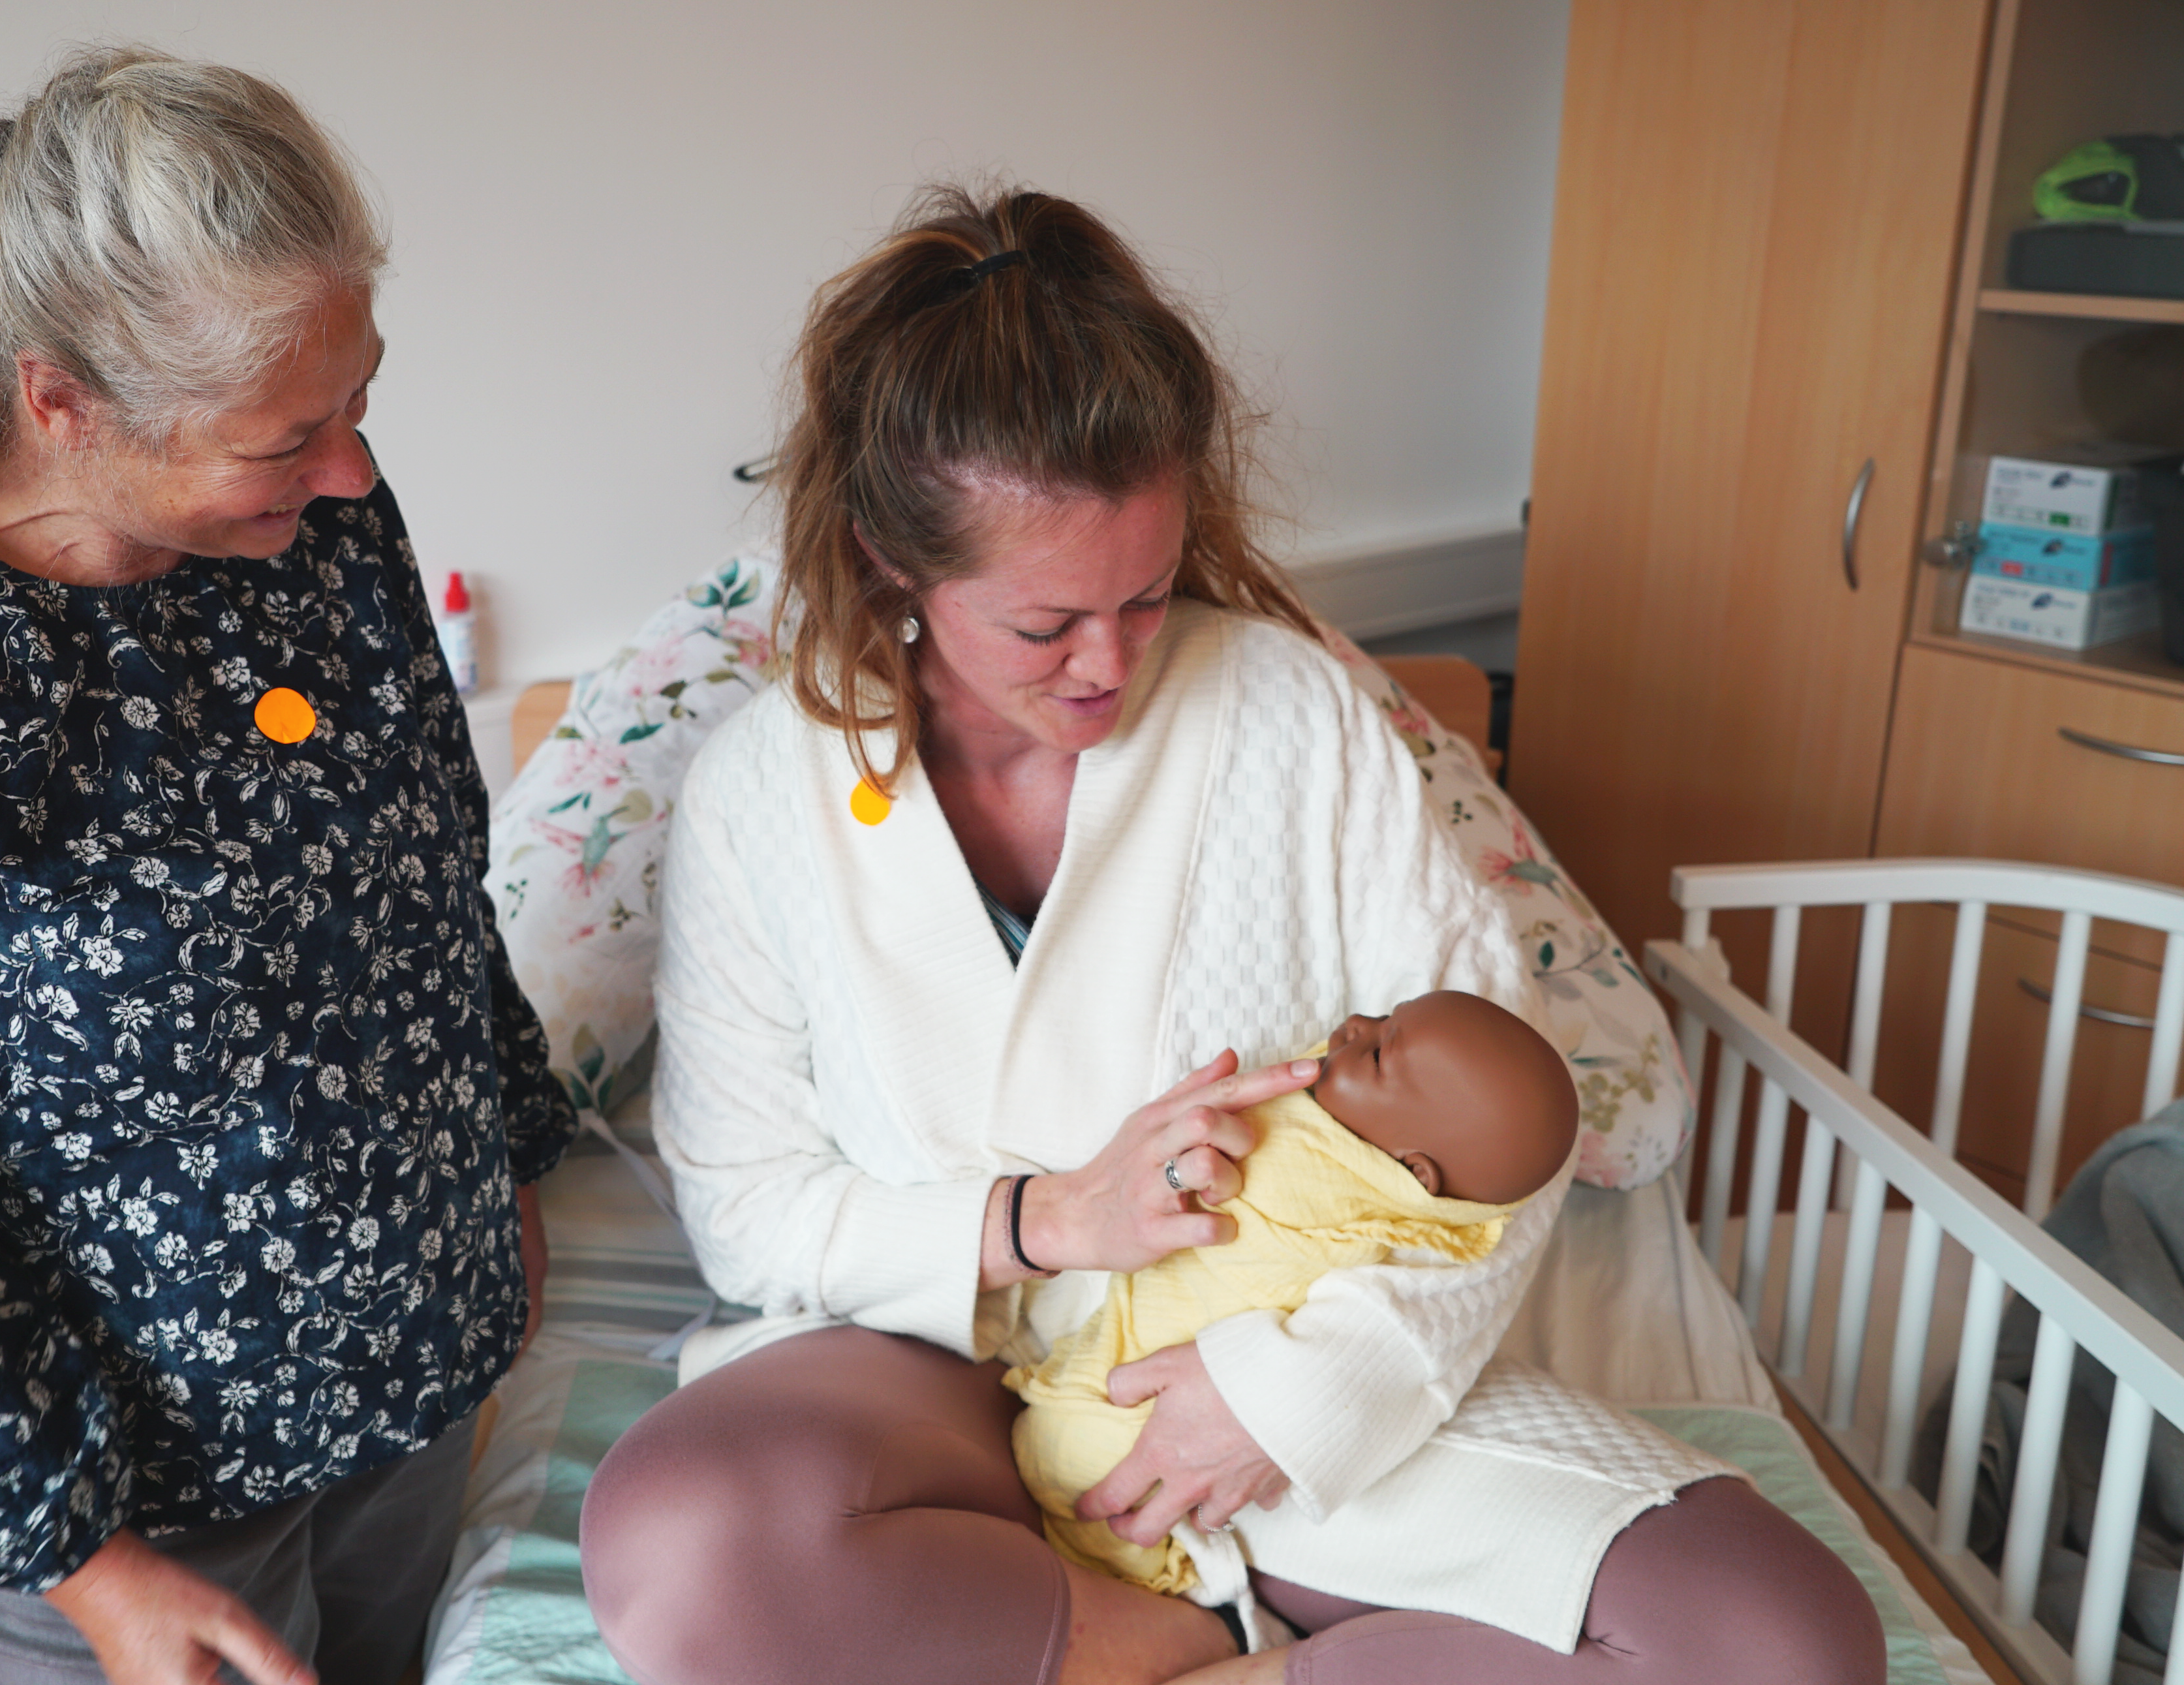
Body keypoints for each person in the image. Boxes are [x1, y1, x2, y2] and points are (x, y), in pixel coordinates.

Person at [574, 185, 1883, 1685]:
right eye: (1043, 622)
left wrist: (1293, 1396)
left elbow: (1493, 1119)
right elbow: (744, 1206)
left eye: (1142, 595)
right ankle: (1163, 1636)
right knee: (686, 1540)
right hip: (934, 1387)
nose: (1109, 662)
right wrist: (1045, 1220)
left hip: (1273, 1356)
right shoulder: (762, 787)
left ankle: (1118, 1650)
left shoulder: (1288, 707)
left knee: (1782, 1646)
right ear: (889, 558)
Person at [0, 47, 574, 1685]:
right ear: (61, 400)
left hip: (407, 1377)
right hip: (131, 1498)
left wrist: (500, 1159)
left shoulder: (312, 519)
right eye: (288, 436)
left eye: (359, 404)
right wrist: (82, 1558)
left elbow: (429, 863)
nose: (351, 469)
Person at [1008, 991, 1582, 1600]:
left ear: (1413, 1175)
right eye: (1386, 1015)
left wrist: (1280, 1401)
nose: (1358, 1025)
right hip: (1023, 1340)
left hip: (1138, 1422)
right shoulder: (1353, 1107)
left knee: (1080, 1458)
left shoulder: (1334, 1185)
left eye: (1381, 1053)